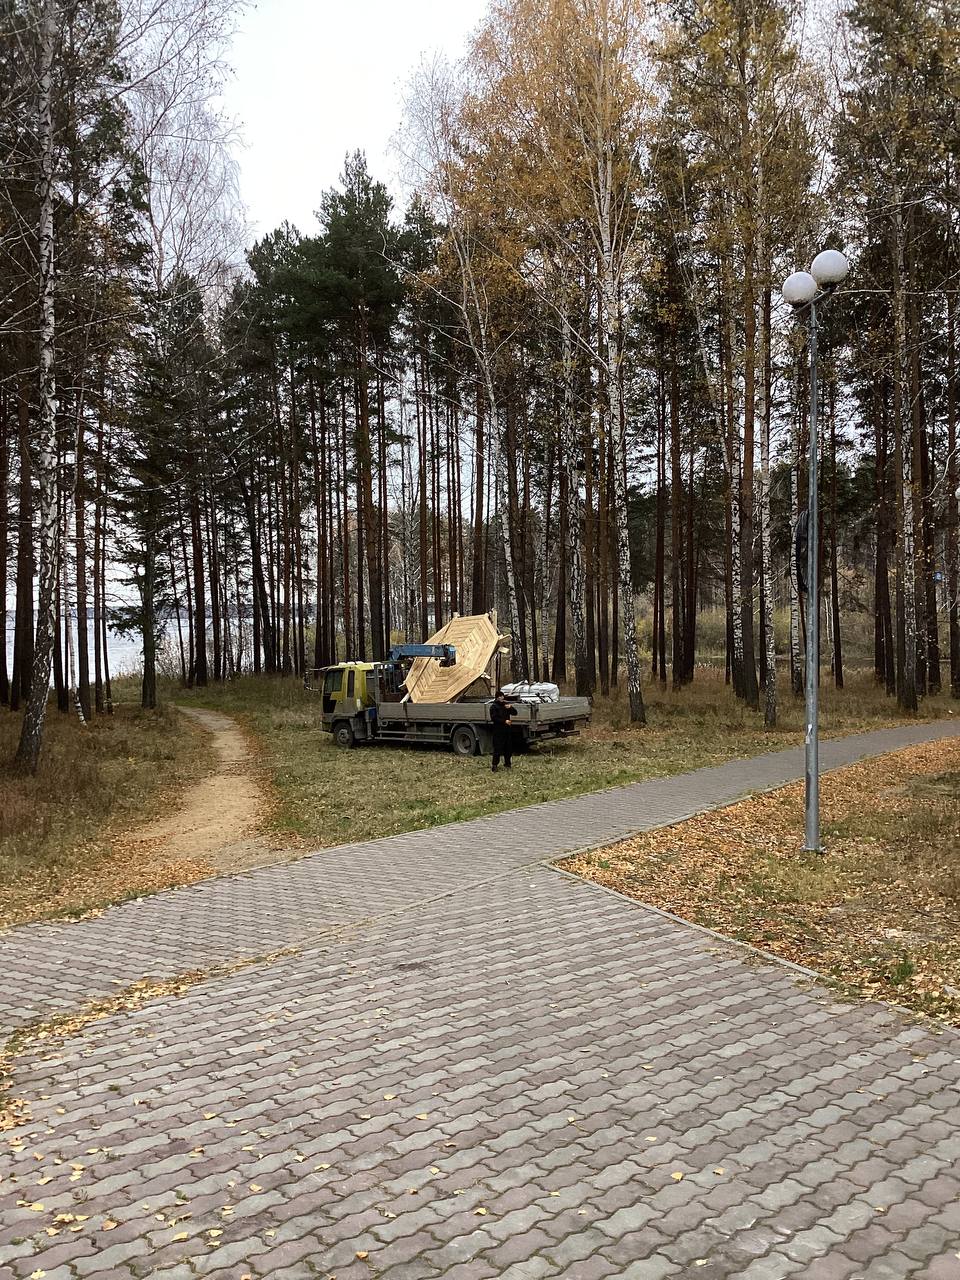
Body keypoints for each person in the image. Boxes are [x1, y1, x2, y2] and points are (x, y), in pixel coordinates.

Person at [489, 689, 517, 772]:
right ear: (497, 698)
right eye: (500, 696)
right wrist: (504, 721)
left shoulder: (505, 705)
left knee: (508, 748)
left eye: (502, 696)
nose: (502, 698)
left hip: (507, 730)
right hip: (498, 730)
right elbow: (494, 718)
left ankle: (508, 764)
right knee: (497, 748)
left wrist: (511, 707)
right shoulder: (494, 707)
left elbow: (515, 713)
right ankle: (494, 765)